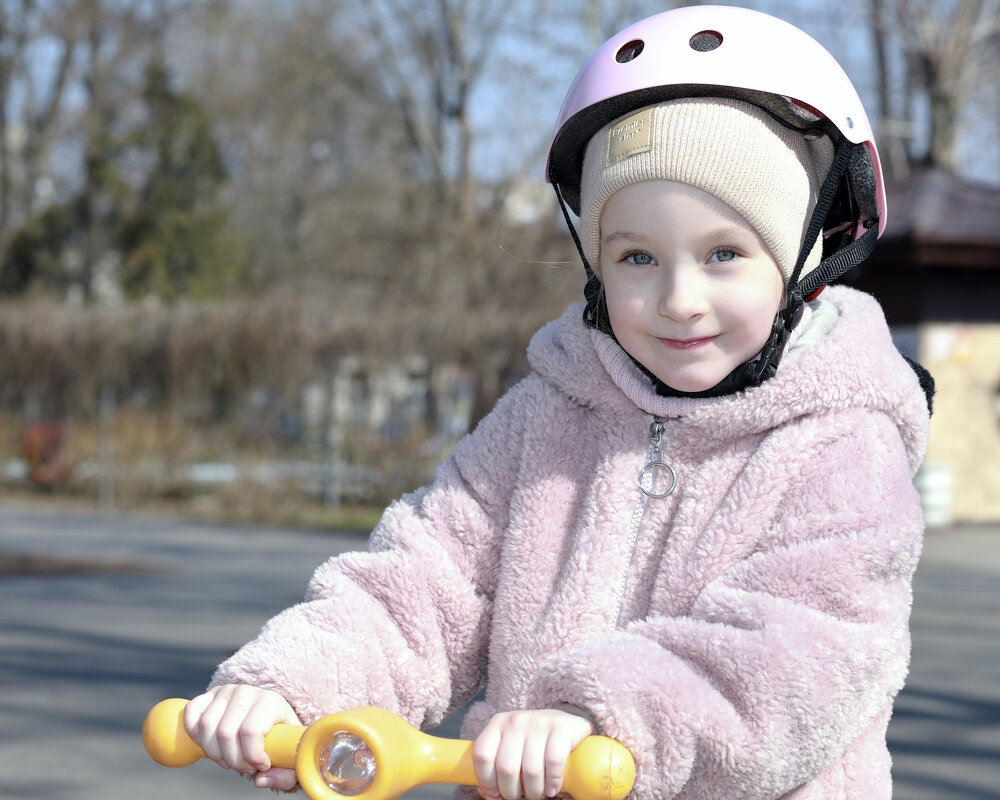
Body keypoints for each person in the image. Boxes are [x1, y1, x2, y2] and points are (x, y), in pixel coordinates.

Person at [183, 6, 932, 799]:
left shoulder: (844, 446)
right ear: (595, 262)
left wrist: (599, 717)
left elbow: (801, 652)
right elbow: (430, 582)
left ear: (808, 253)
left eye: (725, 254)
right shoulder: (546, 416)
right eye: (637, 256)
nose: (679, 298)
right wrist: (293, 685)